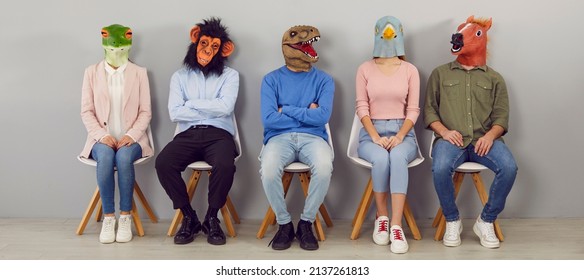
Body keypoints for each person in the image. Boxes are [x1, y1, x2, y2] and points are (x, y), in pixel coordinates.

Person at [424, 15, 518, 249]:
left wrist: (489, 136)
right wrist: (444, 132)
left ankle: (486, 221)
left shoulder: (495, 78)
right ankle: (452, 220)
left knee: (509, 167)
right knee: (440, 167)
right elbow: (429, 111)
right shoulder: (440, 74)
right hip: (450, 140)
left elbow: (501, 117)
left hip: (483, 141)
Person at [155, 17, 238, 246]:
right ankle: (188, 216)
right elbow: (175, 112)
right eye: (204, 44)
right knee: (163, 163)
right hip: (187, 134)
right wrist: (208, 107)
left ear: (223, 49)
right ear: (195, 40)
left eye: (214, 46)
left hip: (219, 134)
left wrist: (191, 104)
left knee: (225, 164)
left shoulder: (230, 76)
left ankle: (212, 217)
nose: (207, 51)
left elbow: (225, 108)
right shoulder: (179, 76)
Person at [259, 25, 334, 251]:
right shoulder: (270, 80)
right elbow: (270, 119)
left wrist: (287, 109)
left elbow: (322, 117)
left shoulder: (325, 80)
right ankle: (284, 224)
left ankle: (305, 222)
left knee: (323, 168)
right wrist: (306, 112)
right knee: (269, 170)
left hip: (314, 138)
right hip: (278, 138)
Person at [80, 24, 152, 244]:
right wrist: (102, 135)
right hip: (100, 138)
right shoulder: (91, 73)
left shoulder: (140, 73)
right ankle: (109, 217)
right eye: (113, 48)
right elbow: (86, 111)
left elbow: (146, 111)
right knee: (107, 156)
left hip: (133, 139)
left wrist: (131, 135)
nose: (117, 53)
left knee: (122, 157)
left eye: (121, 48)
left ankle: (126, 216)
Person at [355, 16, 420, 254]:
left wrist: (401, 136)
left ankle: (396, 225)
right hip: (372, 134)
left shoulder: (410, 70)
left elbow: (413, 110)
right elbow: (362, 107)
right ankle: (381, 218)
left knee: (397, 157)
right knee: (381, 158)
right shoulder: (364, 69)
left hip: (403, 133)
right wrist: (374, 136)